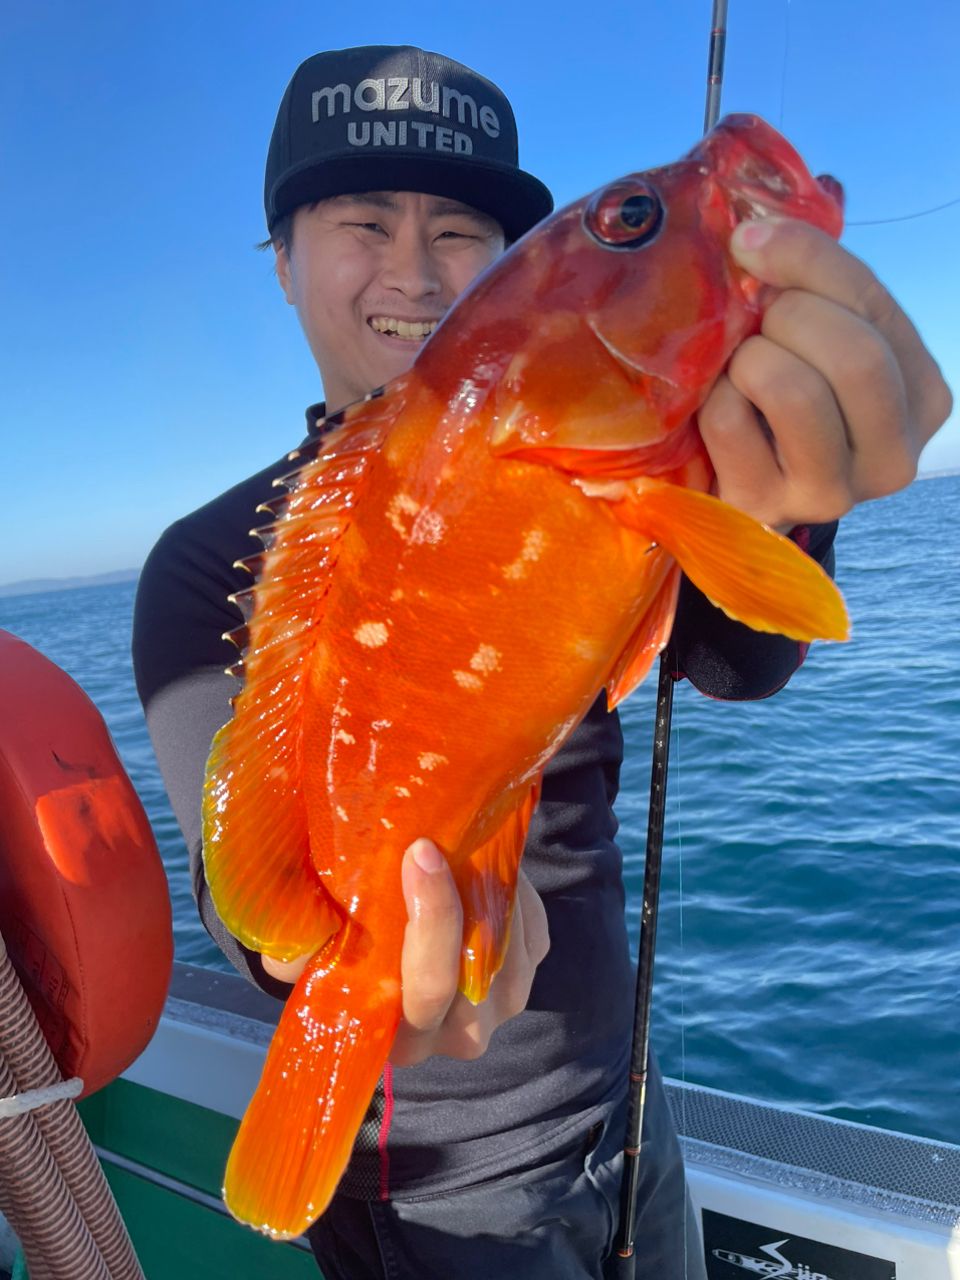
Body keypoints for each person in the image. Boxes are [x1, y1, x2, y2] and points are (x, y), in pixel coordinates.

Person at [131, 44, 951, 1280]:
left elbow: (740, 662)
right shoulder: (206, 566)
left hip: (626, 1103)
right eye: (362, 222)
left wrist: (793, 501)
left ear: (508, 274)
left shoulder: (635, 459)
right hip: (435, 1186)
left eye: (461, 231)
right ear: (283, 258)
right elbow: (240, 883)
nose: (412, 270)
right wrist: (337, 970)